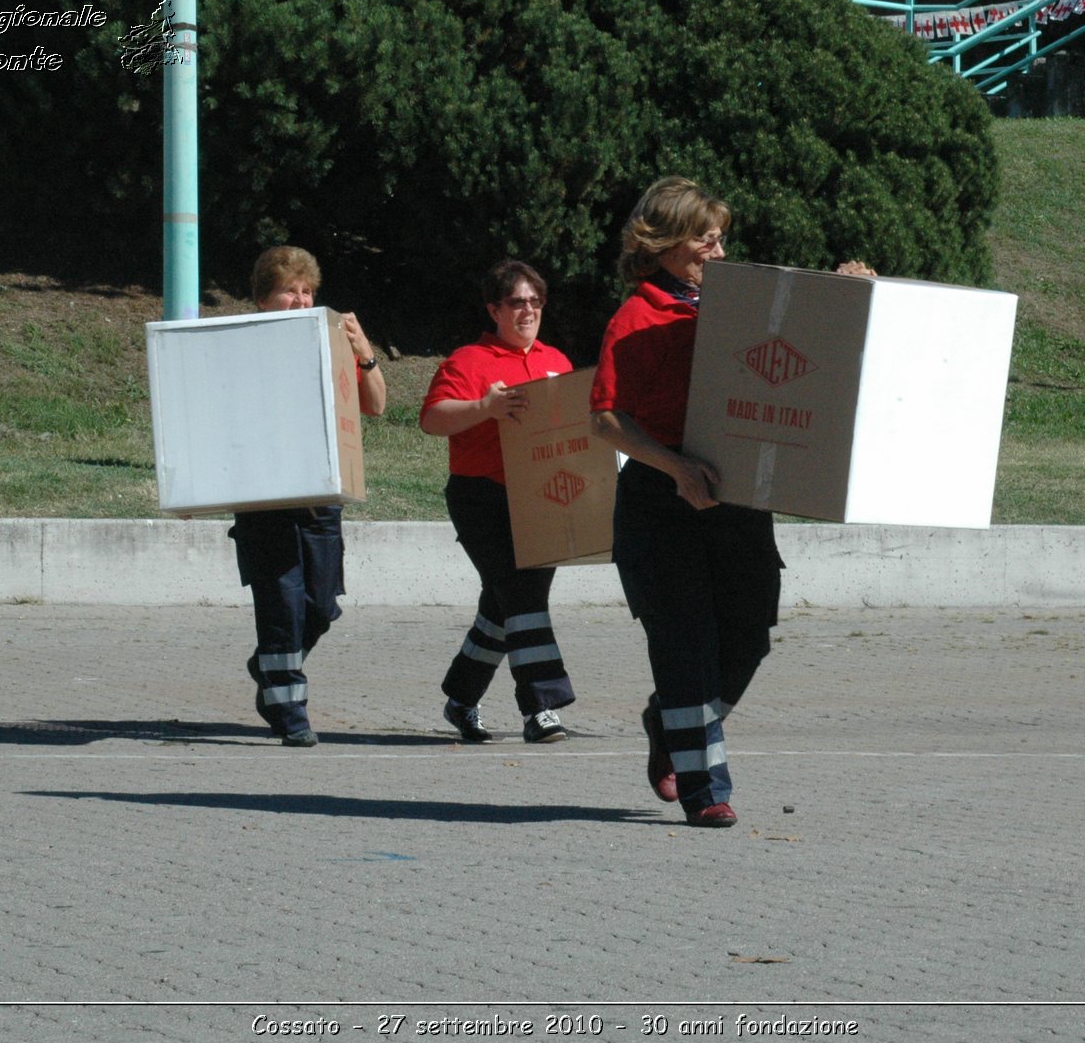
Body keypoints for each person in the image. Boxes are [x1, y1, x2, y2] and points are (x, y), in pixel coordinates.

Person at [590, 176, 871, 827]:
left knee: (747, 638)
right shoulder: (639, 317)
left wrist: (850, 290)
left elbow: (814, 337)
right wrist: (676, 466)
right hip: (662, 503)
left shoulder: (742, 309)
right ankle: (704, 789)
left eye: (720, 239)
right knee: (685, 644)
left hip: (739, 500)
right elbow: (606, 419)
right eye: (702, 239)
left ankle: (667, 723)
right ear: (661, 242)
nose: (716, 252)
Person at [229, 245, 386, 747]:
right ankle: (288, 709)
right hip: (264, 497)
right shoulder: (237, 343)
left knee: (319, 607)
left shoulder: (332, 341)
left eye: (307, 291)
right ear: (262, 299)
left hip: (321, 497)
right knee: (281, 608)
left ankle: (268, 668)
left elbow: (377, 406)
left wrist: (363, 353)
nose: (300, 301)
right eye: (288, 291)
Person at [420, 260, 578, 744]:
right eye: (516, 302)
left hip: (543, 496)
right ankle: (540, 706)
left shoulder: (558, 362)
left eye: (535, 301)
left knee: (503, 606)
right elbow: (432, 418)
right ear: (494, 309)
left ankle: (461, 699)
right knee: (523, 597)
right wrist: (484, 408)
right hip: (481, 497)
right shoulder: (469, 361)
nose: (527, 310)